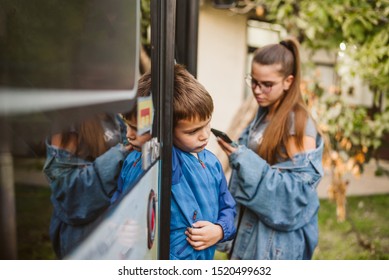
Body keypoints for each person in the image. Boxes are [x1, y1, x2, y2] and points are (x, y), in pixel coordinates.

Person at [216, 37, 324, 260]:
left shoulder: (297, 123)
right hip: (250, 233)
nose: (257, 90)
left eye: (267, 84)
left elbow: (297, 197)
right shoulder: (265, 113)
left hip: (274, 246)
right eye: (253, 81)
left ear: (288, 81)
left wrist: (243, 159)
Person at [116, 64, 237, 260]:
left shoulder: (213, 164)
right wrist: (120, 226)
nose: (204, 136)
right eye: (192, 132)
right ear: (167, 130)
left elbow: (228, 208)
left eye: (207, 125)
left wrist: (220, 230)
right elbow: (118, 204)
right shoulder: (161, 161)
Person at [43, 112, 132, 259]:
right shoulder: (69, 120)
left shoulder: (113, 115)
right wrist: (119, 155)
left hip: (114, 236)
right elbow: (69, 195)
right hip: (86, 242)